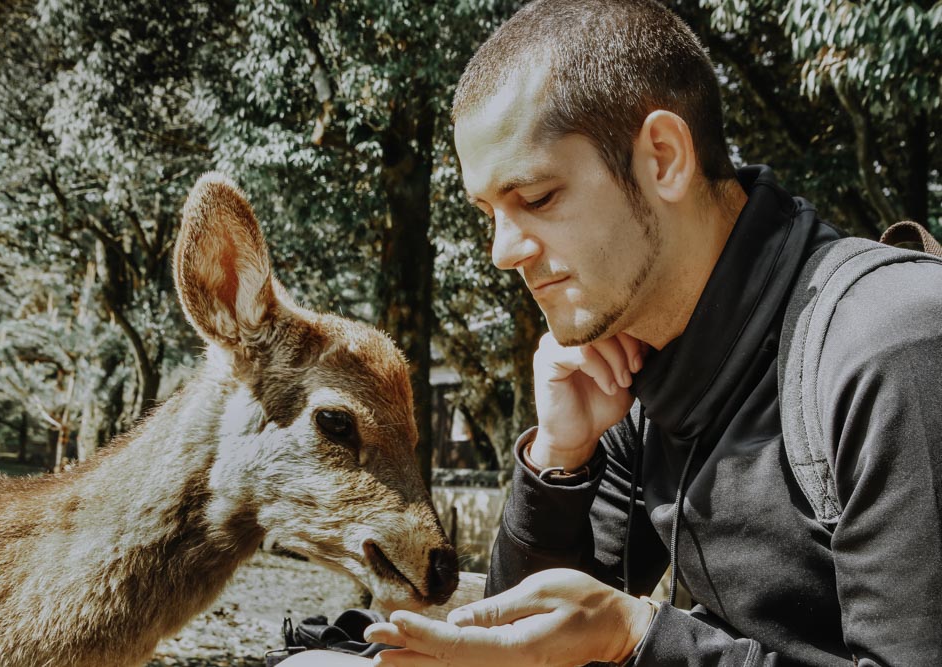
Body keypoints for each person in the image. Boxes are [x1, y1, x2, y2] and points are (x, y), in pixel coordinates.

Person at [284, 0, 942, 665]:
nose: (502, 251)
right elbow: (519, 641)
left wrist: (639, 636)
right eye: (488, 212)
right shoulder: (633, 370)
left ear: (662, 157)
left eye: (536, 198)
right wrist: (558, 457)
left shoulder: (892, 347)